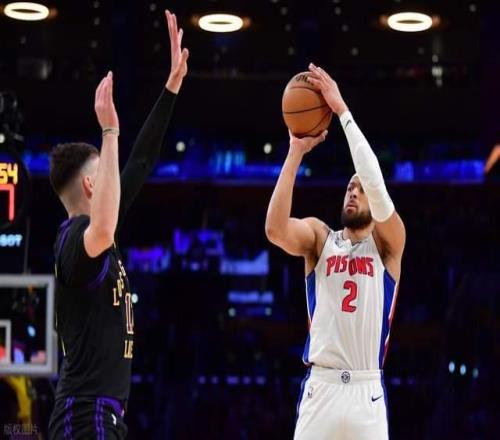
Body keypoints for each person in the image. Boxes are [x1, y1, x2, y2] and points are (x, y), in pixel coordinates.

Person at [47, 10, 188, 439]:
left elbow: (140, 163)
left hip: (102, 413)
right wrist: (109, 131)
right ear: (91, 184)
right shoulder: (75, 240)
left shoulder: (95, 235)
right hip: (83, 414)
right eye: (105, 171)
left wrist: (171, 87)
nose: (115, 177)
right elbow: (105, 228)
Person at [265, 63, 406, 439]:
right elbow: (275, 229)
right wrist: (295, 153)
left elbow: (374, 182)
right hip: (321, 387)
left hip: (366, 390)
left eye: (360, 188)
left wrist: (342, 110)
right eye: (348, 187)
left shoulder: (389, 244)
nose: (353, 192)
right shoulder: (320, 238)